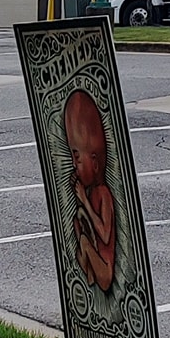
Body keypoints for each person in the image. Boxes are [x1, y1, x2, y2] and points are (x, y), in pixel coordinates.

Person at [64, 89, 116, 293]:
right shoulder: (92, 192)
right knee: (79, 228)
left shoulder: (103, 193)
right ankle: (89, 276)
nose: (74, 165)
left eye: (77, 158)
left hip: (106, 271)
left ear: (94, 163)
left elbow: (104, 234)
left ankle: (91, 278)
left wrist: (84, 202)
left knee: (84, 242)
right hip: (94, 259)